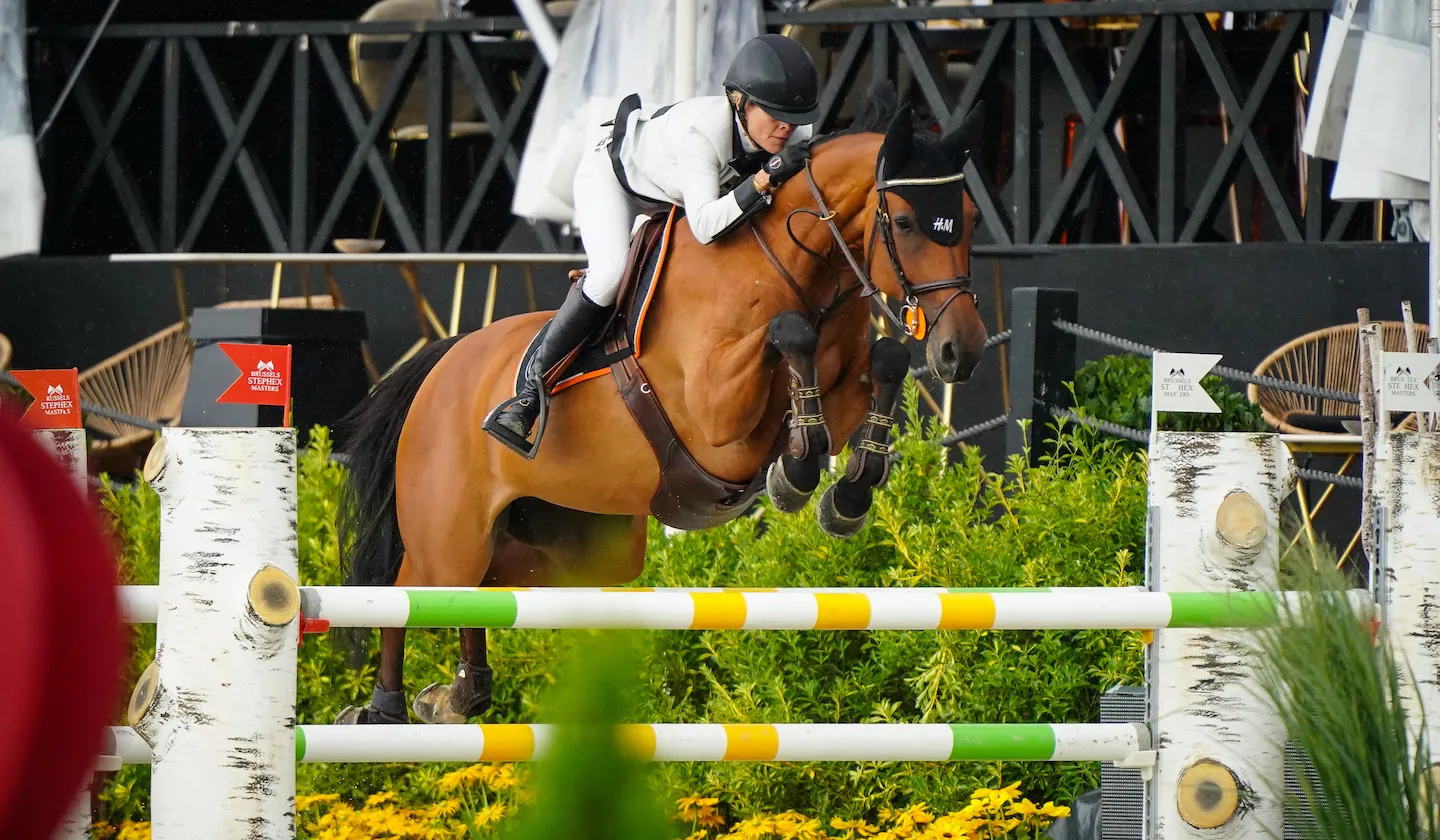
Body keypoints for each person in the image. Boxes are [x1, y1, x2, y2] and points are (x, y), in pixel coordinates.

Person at [484, 33, 823, 455]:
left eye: (794, 115)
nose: (786, 126)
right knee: (609, 275)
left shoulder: (793, 133)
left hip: (679, 197)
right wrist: (765, 177)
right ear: (740, 102)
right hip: (617, 183)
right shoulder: (703, 135)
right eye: (773, 113)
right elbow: (705, 226)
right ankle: (527, 396)